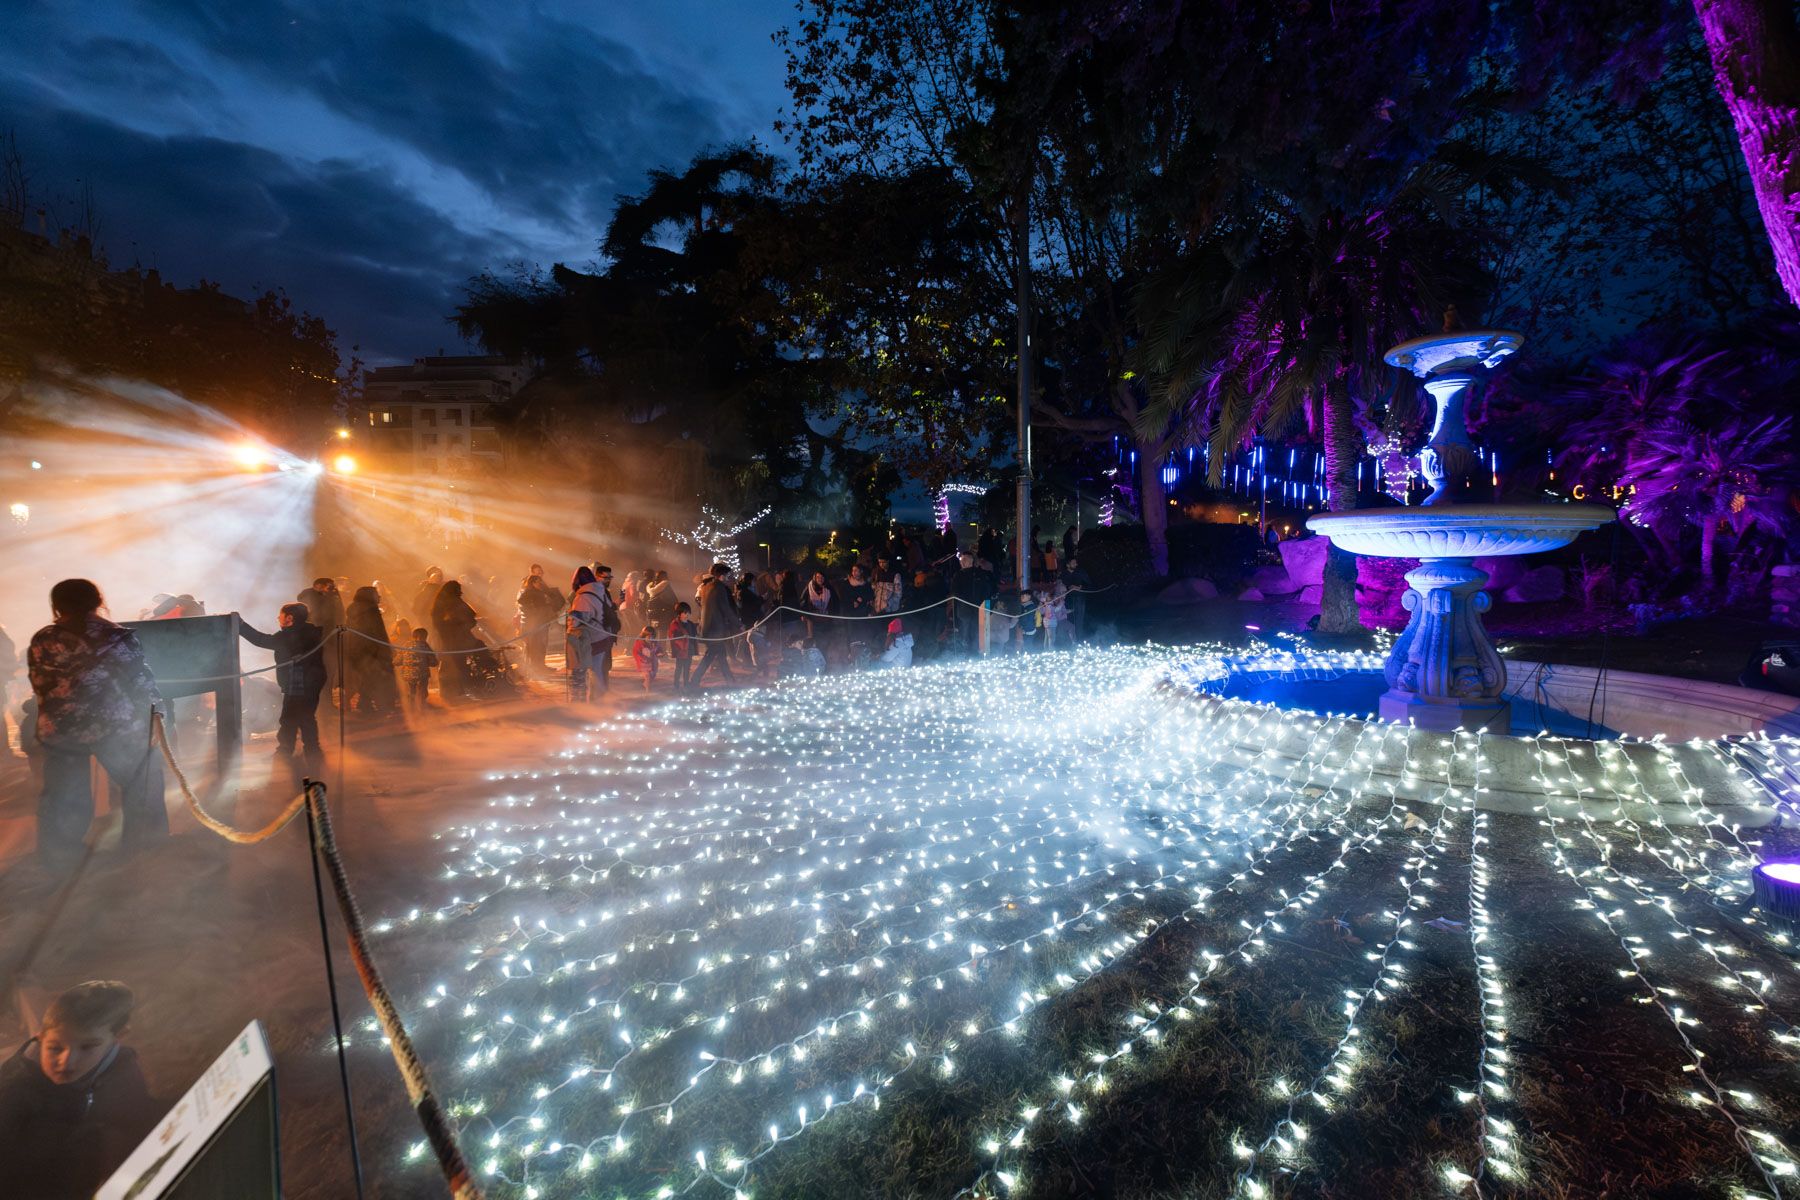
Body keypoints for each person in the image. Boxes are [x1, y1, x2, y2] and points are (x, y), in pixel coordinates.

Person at [27, 579, 169, 869]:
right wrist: (157, 714)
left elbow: (40, 683)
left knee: (64, 795)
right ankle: (145, 848)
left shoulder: (44, 638)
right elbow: (139, 681)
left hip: (62, 728)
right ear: (98, 600)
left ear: (57, 606)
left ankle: (61, 859)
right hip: (116, 725)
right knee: (141, 782)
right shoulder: (117, 636)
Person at [0, 980, 160, 1200]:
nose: (67, 1062)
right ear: (40, 1037)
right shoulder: (14, 1088)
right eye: (55, 1048)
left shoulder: (123, 1066)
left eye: (87, 1047)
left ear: (119, 1037)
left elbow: (136, 1120)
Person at [239, 602, 328, 761]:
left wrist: (241, 626)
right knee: (306, 715)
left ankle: (285, 752)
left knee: (289, 718)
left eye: (280, 615)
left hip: (297, 681)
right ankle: (313, 751)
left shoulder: (288, 636)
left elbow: (260, 640)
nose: (277, 618)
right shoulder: (312, 632)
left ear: (289, 618)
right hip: (313, 681)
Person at [343, 585, 397, 716]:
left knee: (364, 677)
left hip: (356, 649)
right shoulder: (370, 610)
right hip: (371, 650)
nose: (379, 597)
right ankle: (378, 706)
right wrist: (386, 649)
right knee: (377, 678)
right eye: (376, 594)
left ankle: (365, 703)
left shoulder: (353, 609)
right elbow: (378, 632)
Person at [430, 580, 482, 702]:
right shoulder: (453, 601)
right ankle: (461, 691)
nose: (461, 592)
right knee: (459, 665)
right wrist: (461, 625)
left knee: (449, 664)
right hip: (455, 639)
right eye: (459, 589)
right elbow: (470, 615)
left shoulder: (439, 603)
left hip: (446, 639)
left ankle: (448, 692)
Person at [297, 576, 346, 706]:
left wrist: (335, 597)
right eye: (329, 586)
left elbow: (340, 614)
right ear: (318, 586)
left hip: (331, 639)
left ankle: (327, 703)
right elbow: (322, 616)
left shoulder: (330, 597)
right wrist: (330, 597)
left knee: (330, 671)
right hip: (317, 641)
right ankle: (320, 705)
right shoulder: (309, 597)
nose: (332, 589)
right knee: (319, 672)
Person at [691, 563, 740, 689]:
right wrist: (738, 624)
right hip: (716, 628)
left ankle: (730, 680)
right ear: (722, 576)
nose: (729, 578)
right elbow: (726, 609)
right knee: (711, 655)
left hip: (709, 627)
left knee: (721, 655)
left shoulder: (706, 586)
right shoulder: (719, 588)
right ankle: (694, 680)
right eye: (727, 575)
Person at [516, 573, 563, 676]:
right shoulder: (527, 593)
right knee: (534, 648)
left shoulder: (537, 592)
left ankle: (541, 667)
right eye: (538, 581)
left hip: (540, 623)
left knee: (541, 646)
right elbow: (526, 609)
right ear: (533, 583)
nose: (540, 583)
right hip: (533, 625)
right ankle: (535, 670)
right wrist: (537, 613)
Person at [396, 627, 436, 711]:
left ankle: (412, 706)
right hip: (422, 674)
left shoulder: (406, 644)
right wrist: (429, 663)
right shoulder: (425, 645)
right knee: (423, 688)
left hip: (408, 674)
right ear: (425, 636)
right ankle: (422, 706)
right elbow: (433, 661)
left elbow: (397, 661)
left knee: (411, 689)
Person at [667, 603, 697, 696]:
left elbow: (694, 635)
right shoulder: (675, 624)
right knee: (679, 668)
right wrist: (681, 636)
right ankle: (676, 685)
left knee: (687, 668)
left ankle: (686, 685)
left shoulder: (691, 624)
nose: (687, 615)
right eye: (684, 613)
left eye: (688, 612)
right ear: (679, 614)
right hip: (680, 650)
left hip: (689, 650)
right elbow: (671, 635)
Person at [631, 625, 662, 691]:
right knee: (647, 677)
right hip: (644, 664)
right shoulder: (639, 643)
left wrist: (660, 653)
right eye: (648, 636)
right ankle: (647, 692)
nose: (650, 638)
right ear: (644, 636)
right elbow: (635, 652)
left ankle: (645, 686)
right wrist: (642, 659)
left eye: (651, 636)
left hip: (653, 664)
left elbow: (659, 649)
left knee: (652, 676)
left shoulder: (655, 643)